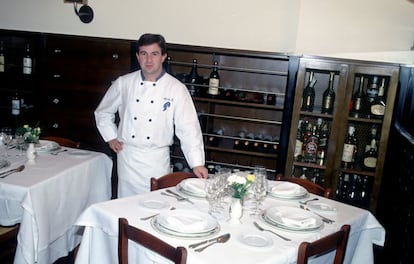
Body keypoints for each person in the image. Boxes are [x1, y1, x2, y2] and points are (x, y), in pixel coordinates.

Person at [95, 33, 208, 197]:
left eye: (154, 54)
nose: (148, 60)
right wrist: (111, 137)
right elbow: (103, 112)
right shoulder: (124, 83)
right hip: (128, 158)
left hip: (157, 159)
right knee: (125, 205)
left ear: (163, 57)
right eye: (143, 54)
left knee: (155, 204)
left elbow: (188, 128)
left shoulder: (176, 88)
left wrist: (197, 163)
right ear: (137, 56)